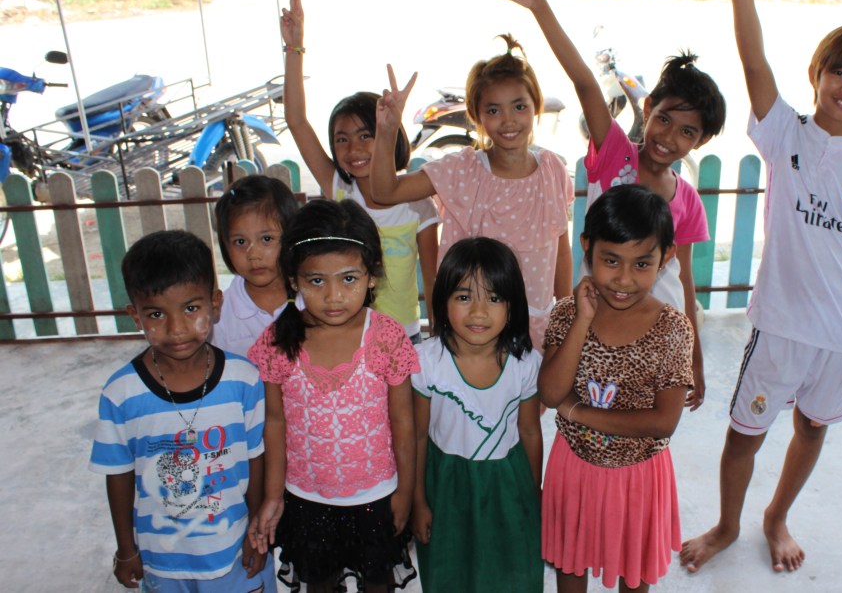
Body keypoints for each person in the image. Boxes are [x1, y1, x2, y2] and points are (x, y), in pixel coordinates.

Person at [679, 0, 842, 574]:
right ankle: (727, 525)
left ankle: (776, 517)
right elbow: (754, 61)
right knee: (742, 437)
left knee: (812, 428)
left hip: (840, 340)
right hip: (778, 330)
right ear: (817, 71)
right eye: (839, 70)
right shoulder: (786, 137)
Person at [500, 0, 725, 410]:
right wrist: (540, 5)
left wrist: (694, 360)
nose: (669, 138)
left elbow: (685, 287)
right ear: (648, 110)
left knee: (641, 425)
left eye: (688, 132)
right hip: (596, 323)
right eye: (664, 119)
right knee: (584, 411)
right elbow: (584, 81)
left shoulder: (686, 201)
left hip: (658, 334)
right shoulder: (616, 157)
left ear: (699, 141)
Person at [246, 198, 418, 593]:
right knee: (319, 584)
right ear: (294, 280)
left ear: (371, 276)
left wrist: (405, 490)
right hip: (306, 499)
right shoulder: (277, 340)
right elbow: (274, 423)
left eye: (348, 279)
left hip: (376, 497)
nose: (334, 296)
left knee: (379, 583)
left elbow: (403, 423)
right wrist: (274, 496)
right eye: (316, 281)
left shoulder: (386, 336)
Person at [90, 230, 276, 591]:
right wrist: (126, 549)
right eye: (157, 314)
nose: (176, 330)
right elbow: (118, 474)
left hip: (236, 555)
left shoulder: (244, 380)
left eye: (191, 308)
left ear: (215, 304)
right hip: (163, 561)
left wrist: (257, 533)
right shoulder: (121, 394)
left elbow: (256, 460)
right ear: (135, 315)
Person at [370, 39, 574, 350]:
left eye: (519, 106)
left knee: (530, 400)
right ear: (476, 115)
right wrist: (386, 131)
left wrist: (565, 314)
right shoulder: (462, 170)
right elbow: (385, 191)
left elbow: (560, 246)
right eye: (493, 110)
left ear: (536, 106)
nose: (508, 120)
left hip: (535, 331)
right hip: (471, 332)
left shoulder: (552, 170)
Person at [539, 184, 694, 592]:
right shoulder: (568, 313)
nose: (624, 279)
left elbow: (663, 422)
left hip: (639, 477)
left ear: (666, 258)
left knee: (633, 568)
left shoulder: (673, 329)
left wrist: (581, 413)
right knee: (569, 563)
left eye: (642, 264)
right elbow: (552, 394)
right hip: (573, 466)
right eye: (611, 260)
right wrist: (582, 321)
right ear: (587, 247)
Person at [280, 0, 440, 341]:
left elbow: (432, 279)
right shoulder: (339, 191)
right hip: (344, 337)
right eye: (342, 138)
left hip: (404, 338)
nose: (354, 148)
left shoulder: (418, 205)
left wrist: (437, 344)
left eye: (366, 134)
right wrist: (294, 47)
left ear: (388, 133)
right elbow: (296, 120)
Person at [410, 237, 543, 592]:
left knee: (512, 570)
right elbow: (418, 435)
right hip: (446, 485)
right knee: (449, 571)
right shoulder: (426, 362)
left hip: (507, 483)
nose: (479, 312)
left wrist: (533, 493)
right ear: (442, 301)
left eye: (494, 298)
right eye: (464, 297)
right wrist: (418, 500)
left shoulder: (525, 363)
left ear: (512, 307)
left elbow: (530, 432)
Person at [210, 174, 299, 356]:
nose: (253, 254)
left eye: (267, 239)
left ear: (291, 237)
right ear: (225, 245)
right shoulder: (219, 317)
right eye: (240, 242)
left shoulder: (314, 300)